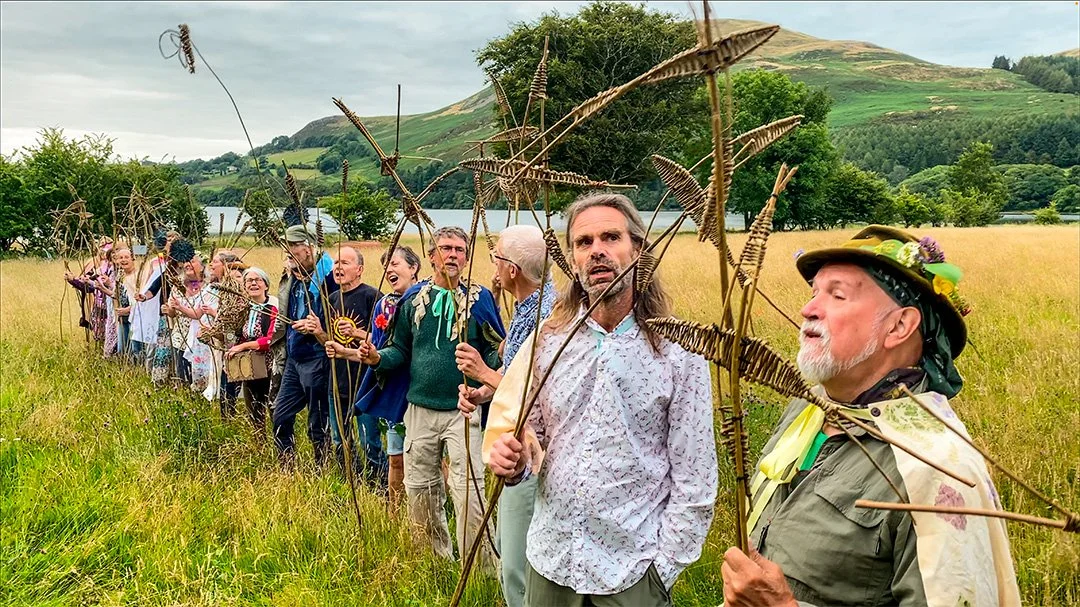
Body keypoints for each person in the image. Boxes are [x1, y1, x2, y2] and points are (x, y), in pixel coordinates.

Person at [719, 225, 1020, 607]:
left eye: (837, 295)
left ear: (899, 326)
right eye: (814, 293)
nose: (808, 309)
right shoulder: (809, 406)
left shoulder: (939, 470)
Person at [486, 194, 717, 607]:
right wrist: (514, 462)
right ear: (572, 260)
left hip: (632, 572)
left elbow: (695, 480)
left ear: (638, 250)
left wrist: (660, 573)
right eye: (583, 242)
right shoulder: (550, 342)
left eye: (610, 237)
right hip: (551, 561)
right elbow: (531, 441)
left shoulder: (679, 352)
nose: (597, 251)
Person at [354, 227, 504, 564]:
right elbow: (399, 350)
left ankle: (481, 569)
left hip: (463, 410)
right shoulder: (412, 300)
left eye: (460, 250)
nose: (453, 255)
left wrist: (487, 382)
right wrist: (377, 358)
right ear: (432, 255)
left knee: (470, 492)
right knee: (420, 489)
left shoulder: (480, 300)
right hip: (419, 409)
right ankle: (432, 562)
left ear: (467, 257)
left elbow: (495, 353)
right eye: (445, 248)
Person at [455, 224, 556, 607]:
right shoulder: (529, 309)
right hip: (512, 452)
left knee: (516, 559)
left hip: (528, 456)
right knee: (508, 544)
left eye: (496, 259)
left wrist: (482, 370)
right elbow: (512, 381)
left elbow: (536, 394)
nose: (493, 268)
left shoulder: (546, 318)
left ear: (511, 269)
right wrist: (483, 394)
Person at [327, 245, 421, 508]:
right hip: (393, 394)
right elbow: (375, 353)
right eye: (386, 266)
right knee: (396, 457)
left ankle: (437, 505)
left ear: (413, 268)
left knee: (427, 458)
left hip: (422, 392)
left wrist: (357, 334)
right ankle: (394, 511)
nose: (389, 270)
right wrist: (344, 351)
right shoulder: (385, 305)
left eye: (395, 264)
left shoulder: (427, 298)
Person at [273, 225, 337, 467]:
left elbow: (336, 316)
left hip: (316, 356)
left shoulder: (327, 277)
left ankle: (323, 467)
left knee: (317, 419)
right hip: (293, 357)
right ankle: (287, 466)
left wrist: (316, 327)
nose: (287, 251)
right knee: (281, 416)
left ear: (308, 248)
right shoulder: (293, 275)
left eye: (292, 246)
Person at [317, 243, 382, 471]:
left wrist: (356, 332)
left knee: (369, 441)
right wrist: (317, 331)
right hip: (337, 381)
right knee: (340, 440)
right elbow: (329, 341)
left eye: (345, 262)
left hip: (364, 382)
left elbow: (384, 341)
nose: (338, 267)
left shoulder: (373, 297)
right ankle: (348, 480)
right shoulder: (332, 298)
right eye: (336, 263)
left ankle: (378, 485)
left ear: (360, 269)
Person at [225, 266, 280, 436]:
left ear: (266, 285)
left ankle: (278, 442)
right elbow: (236, 336)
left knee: (271, 405)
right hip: (249, 365)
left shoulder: (273, 309)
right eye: (249, 280)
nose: (253, 283)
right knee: (253, 407)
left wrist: (243, 346)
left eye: (258, 280)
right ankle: (259, 443)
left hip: (268, 365)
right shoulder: (243, 310)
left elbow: (271, 339)